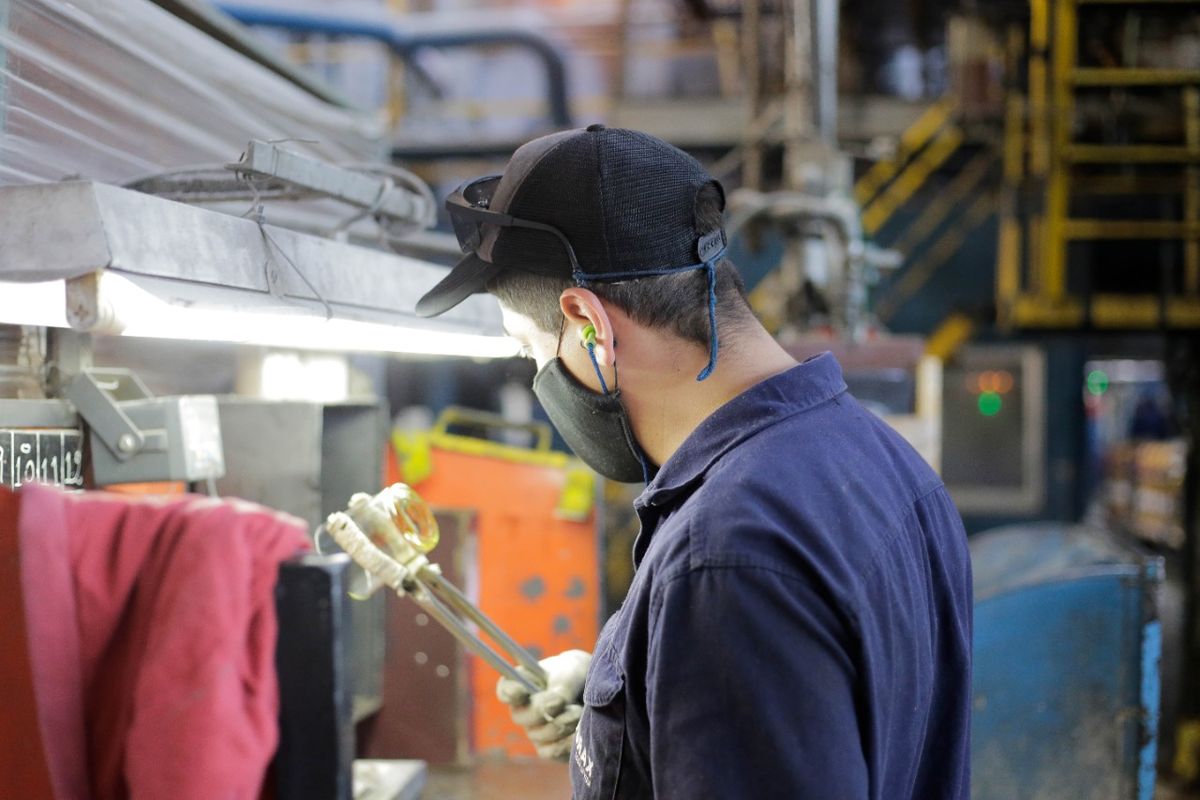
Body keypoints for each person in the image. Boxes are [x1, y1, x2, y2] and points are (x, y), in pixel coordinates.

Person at [416, 124, 972, 799]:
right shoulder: (882, 462)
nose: (537, 374)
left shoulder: (727, 552)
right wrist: (619, 706)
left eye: (531, 349)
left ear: (589, 326)